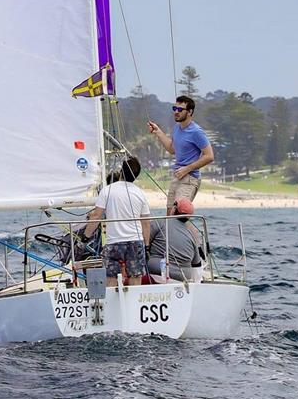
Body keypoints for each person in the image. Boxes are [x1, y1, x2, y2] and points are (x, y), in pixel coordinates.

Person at [83, 156, 150, 285]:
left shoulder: (107, 191)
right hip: (135, 241)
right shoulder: (140, 193)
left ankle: (112, 302)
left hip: (114, 241)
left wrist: (86, 237)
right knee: (135, 276)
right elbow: (146, 223)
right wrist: (147, 246)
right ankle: (134, 303)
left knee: (111, 277)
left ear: (121, 171)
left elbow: (96, 216)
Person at [147, 94, 213, 208]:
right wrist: (158, 132)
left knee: (178, 215)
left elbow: (209, 156)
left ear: (190, 112)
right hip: (177, 176)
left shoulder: (196, 131)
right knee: (170, 215)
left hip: (190, 179)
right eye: (174, 109)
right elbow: (172, 149)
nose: (176, 112)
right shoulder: (177, 128)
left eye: (180, 109)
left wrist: (187, 169)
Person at [147, 197, 203, 280]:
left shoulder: (160, 223)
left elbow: (144, 243)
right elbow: (197, 264)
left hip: (157, 273)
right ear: (189, 217)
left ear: (174, 209)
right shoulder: (192, 234)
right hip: (183, 277)